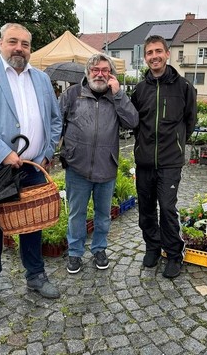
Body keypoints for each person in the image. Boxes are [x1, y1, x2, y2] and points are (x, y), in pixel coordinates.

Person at [0, 23, 62, 309]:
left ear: (30, 48)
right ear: (0, 43)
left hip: (33, 166)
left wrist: (46, 153)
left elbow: (55, 120)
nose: (19, 48)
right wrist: (3, 153)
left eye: (25, 44)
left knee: (33, 222)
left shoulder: (41, 79)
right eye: (13, 42)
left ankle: (36, 276)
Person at [59, 54, 138, 274]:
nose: (100, 74)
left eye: (105, 70)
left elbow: (132, 121)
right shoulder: (72, 94)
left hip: (106, 166)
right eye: (95, 69)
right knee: (77, 213)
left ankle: (99, 249)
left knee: (103, 214)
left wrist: (119, 93)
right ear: (88, 72)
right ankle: (75, 253)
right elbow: (56, 123)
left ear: (111, 74)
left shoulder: (116, 97)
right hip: (77, 166)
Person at [131, 35, 197, 279]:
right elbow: (135, 123)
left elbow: (190, 121)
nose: (154, 56)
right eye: (149, 52)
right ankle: (152, 247)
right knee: (146, 209)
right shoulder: (140, 89)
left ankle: (174, 253)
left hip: (170, 161)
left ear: (167, 54)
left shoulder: (184, 87)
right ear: (145, 57)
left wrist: (178, 144)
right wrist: (142, 147)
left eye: (158, 51)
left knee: (167, 208)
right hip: (145, 161)